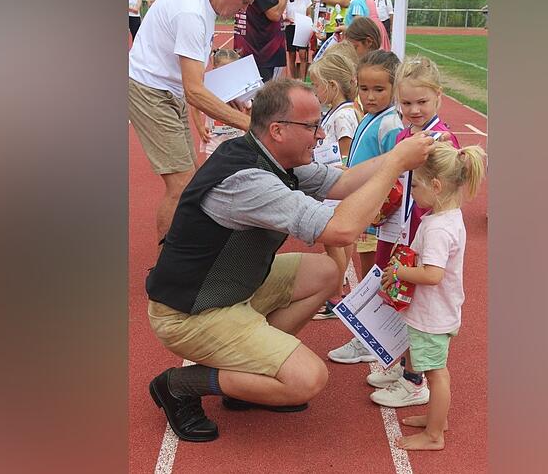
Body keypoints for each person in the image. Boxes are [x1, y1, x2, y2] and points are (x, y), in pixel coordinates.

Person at [145, 79, 437, 442]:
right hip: (191, 313)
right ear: (278, 130)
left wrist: (403, 151)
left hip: (228, 287)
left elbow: (343, 183)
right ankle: (178, 385)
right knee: (308, 379)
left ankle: (247, 379)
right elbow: (341, 230)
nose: (320, 134)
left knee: (326, 272)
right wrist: (394, 164)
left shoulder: (269, 155)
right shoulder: (248, 181)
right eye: (312, 125)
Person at [128, 0, 261, 246]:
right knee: (181, 185)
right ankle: (166, 273)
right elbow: (195, 91)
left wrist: (227, 97)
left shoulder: (201, 3)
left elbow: (196, 79)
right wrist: (248, 124)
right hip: (151, 91)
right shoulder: (192, 12)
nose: (243, 10)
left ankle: (181, 252)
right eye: (244, 1)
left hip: (166, 89)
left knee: (191, 181)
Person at [367, 56, 461, 407]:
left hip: (424, 237)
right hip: (398, 231)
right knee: (396, 298)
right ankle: (399, 361)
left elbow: (446, 192)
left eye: (421, 101)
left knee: (417, 305)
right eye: (406, 103)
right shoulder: (404, 134)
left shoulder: (443, 140)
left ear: (438, 96)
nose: (414, 109)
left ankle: (414, 379)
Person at [380, 142, 487, 451]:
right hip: (437, 311)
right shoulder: (448, 218)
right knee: (433, 368)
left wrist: (399, 272)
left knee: (436, 373)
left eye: (416, 185)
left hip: (432, 316)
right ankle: (435, 420)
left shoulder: (440, 228)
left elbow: (432, 274)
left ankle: (434, 434)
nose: (411, 192)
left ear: (437, 186)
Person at [319, 50, 402, 325]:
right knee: (369, 274)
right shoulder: (369, 116)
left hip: (378, 212)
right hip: (364, 206)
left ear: (395, 88)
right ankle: (366, 328)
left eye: (379, 89)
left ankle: (373, 330)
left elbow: (395, 170)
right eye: (364, 88)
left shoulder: (390, 124)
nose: (370, 96)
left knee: (375, 274)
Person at [307, 53, 359, 306]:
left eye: (317, 86)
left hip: (337, 187)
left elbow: (348, 157)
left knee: (334, 243)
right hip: (332, 186)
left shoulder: (343, 116)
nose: (315, 92)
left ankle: (335, 295)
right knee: (334, 244)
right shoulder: (337, 112)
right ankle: (336, 289)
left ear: (332, 86)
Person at [190, 49, 245, 163]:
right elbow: (194, 105)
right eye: (223, 70)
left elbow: (250, 107)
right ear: (215, 69)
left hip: (236, 141)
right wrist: (200, 127)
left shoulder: (240, 87)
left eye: (231, 70)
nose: (227, 74)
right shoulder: (208, 88)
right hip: (214, 142)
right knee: (212, 172)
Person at [284, 0, 312, 80]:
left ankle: (302, 80)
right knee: (291, 55)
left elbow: (309, 14)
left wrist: (308, 23)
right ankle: (293, 79)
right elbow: (284, 13)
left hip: (302, 28)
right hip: (290, 27)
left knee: (302, 54)